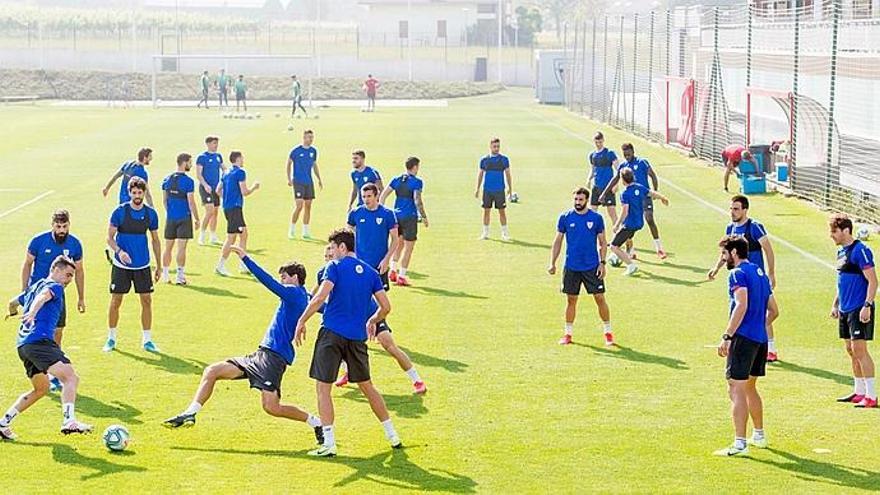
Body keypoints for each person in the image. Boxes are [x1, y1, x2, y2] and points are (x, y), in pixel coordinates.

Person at [163, 246, 325, 443]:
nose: (282, 281)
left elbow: (269, 282)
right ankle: (191, 412)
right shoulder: (305, 297)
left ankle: (316, 423)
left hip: (274, 358)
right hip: (261, 354)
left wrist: (245, 257)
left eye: (284, 277)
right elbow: (325, 308)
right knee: (212, 371)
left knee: (272, 407)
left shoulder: (294, 293)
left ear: (295, 278)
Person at [294, 228, 402, 457]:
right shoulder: (372, 274)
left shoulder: (333, 267)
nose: (331, 253)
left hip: (331, 334)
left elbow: (321, 297)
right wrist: (373, 319)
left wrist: (302, 320)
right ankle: (392, 435)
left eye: (332, 248)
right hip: (357, 338)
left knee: (323, 388)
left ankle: (329, 444)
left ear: (343, 247)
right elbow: (386, 307)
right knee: (367, 386)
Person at [343, 183, 426, 393]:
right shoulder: (356, 213)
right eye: (364, 196)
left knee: (387, 342)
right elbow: (348, 235)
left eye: (369, 196)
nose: (366, 199)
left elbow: (396, 238)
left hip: (377, 271)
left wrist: (387, 260)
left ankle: (416, 379)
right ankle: (346, 371)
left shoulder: (387, 214)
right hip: (360, 273)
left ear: (377, 195)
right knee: (342, 339)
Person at [1, 256, 93, 440]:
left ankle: (3, 423)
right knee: (70, 378)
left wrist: (13, 312)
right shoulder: (55, 287)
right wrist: (32, 313)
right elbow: (43, 298)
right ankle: (69, 421)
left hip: (24, 345)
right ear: (55, 270)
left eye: (72, 277)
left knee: (42, 388)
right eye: (67, 275)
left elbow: (13, 302)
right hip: (39, 341)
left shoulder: (34, 287)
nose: (69, 280)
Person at [714, 236, 772, 457]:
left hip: (743, 338)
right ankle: (758, 435)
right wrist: (759, 324)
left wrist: (728, 335)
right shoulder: (760, 273)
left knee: (735, 387)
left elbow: (741, 303)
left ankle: (739, 443)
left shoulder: (737, 273)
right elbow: (774, 310)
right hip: (760, 338)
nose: (723, 258)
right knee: (750, 387)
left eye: (724, 253)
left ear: (734, 252)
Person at [708, 195, 779, 361]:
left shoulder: (754, 227)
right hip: (741, 280)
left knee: (762, 310)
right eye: (731, 208)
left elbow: (768, 249)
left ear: (745, 210)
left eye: (736, 209)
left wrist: (771, 273)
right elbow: (725, 252)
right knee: (741, 309)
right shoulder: (730, 229)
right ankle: (752, 342)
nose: (732, 212)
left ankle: (771, 346)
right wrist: (716, 268)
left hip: (756, 279)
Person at [21, 210, 85, 392]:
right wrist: (24, 290)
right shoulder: (38, 241)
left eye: (65, 226)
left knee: (58, 332)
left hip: (57, 295)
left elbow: (79, 271)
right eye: (58, 226)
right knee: (37, 333)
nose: (61, 230)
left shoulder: (75, 244)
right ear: (52, 225)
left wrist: (81, 297)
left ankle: (52, 369)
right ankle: (40, 373)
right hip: (39, 294)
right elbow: (27, 264)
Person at [548, 187, 614, 346]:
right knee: (571, 300)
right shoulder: (565, 217)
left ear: (587, 200)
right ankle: (568, 334)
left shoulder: (596, 218)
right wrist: (552, 263)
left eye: (581, 200)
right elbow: (558, 241)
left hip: (591, 266)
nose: (577, 202)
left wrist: (602, 263)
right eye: (576, 199)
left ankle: (608, 333)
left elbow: (603, 242)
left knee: (599, 298)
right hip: (572, 266)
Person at [104, 177, 162, 353]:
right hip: (121, 266)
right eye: (134, 192)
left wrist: (159, 266)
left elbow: (155, 240)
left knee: (146, 300)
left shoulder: (151, 214)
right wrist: (119, 252)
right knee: (116, 300)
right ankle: (111, 338)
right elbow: (109, 238)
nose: (137, 196)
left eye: (140, 192)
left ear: (144, 193)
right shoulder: (119, 212)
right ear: (129, 193)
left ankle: (147, 340)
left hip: (142, 265)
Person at [829, 214, 877, 409]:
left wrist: (867, 305)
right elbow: (841, 282)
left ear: (846, 230)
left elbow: (873, 281)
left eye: (834, 231)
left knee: (860, 350)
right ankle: (859, 391)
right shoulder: (841, 252)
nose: (831, 235)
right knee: (850, 350)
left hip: (859, 308)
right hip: (845, 308)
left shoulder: (861, 251)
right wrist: (835, 304)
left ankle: (872, 396)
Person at [598, 143, 666, 259]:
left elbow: (653, 175)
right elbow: (615, 179)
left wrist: (655, 191)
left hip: (644, 195)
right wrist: (604, 193)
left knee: (649, 218)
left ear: (633, 152)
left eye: (628, 154)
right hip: (632, 200)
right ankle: (630, 250)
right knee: (629, 224)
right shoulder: (624, 166)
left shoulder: (642, 162)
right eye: (625, 155)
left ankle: (659, 248)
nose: (627, 156)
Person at [609, 168, 669, 276]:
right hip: (639, 223)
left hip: (629, 224)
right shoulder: (639, 187)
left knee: (614, 246)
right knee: (627, 238)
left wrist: (617, 225)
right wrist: (663, 198)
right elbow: (651, 193)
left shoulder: (625, 193)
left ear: (623, 180)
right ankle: (628, 254)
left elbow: (625, 211)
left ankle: (631, 265)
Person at [380, 156, 429, 287]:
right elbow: (417, 200)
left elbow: (384, 194)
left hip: (396, 216)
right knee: (408, 247)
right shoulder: (417, 182)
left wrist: (382, 210)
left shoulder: (396, 179)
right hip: (409, 217)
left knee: (398, 244)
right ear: (415, 167)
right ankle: (402, 275)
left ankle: (393, 270)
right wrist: (424, 216)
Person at [216, 151, 260, 276]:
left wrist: (227, 198)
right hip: (235, 208)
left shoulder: (226, 173)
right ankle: (221, 265)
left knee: (243, 234)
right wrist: (254, 187)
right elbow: (244, 192)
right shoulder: (240, 172)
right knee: (231, 237)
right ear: (238, 159)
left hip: (228, 208)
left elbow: (218, 190)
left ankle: (243, 264)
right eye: (242, 158)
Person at [160, 153, 201, 285]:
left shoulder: (167, 180)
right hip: (184, 218)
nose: (191, 164)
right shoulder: (188, 182)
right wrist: (196, 218)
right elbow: (191, 202)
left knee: (168, 248)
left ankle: (165, 275)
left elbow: (164, 201)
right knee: (181, 248)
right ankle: (180, 276)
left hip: (171, 218)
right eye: (190, 162)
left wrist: (170, 212)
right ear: (184, 163)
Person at [287, 129, 323, 240]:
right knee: (299, 206)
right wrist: (289, 178)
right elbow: (288, 164)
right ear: (304, 138)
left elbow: (314, 165)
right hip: (298, 181)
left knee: (308, 206)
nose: (310, 139)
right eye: (308, 137)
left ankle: (305, 231)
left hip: (309, 182)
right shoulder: (296, 151)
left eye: (312, 137)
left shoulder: (313, 151)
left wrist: (319, 178)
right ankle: (292, 230)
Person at [475, 137, 513, 241]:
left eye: (498, 146)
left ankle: (504, 233)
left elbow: (508, 175)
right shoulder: (484, 160)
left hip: (499, 190)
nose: (496, 148)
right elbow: (480, 174)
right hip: (487, 190)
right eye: (494, 146)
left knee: (502, 211)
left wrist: (510, 188)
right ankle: (485, 233)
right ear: (490, 146)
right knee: (486, 211)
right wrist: (477, 189)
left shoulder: (504, 160)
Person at [196, 135, 226, 245]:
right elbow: (199, 174)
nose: (216, 145)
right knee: (209, 211)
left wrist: (223, 181)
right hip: (206, 188)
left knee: (216, 212)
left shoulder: (218, 156)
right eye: (214, 143)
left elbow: (224, 169)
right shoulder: (202, 157)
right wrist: (205, 185)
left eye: (217, 143)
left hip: (216, 188)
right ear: (208, 144)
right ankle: (202, 235)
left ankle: (213, 236)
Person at [588, 132, 619, 226]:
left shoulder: (609, 153)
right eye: (596, 142)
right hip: (596, 187)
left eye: (600, 142)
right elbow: (593, 169)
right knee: (592, 212)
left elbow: (619, 170)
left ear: (603, 140)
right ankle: (592, 234)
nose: (598, 144)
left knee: (612, 213)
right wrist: (589, 179)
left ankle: (618, 235)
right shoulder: (592, 155)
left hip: (608, 187)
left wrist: (616, 185)